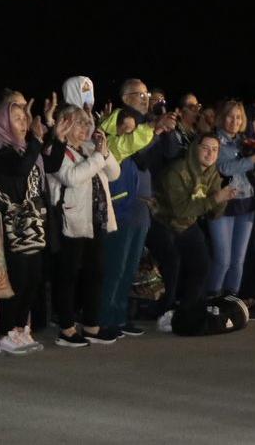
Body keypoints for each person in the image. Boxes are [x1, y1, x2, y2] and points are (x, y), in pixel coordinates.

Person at [44, 105, 120, 347]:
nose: (85, 128)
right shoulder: (56, 151)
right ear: (64, 125)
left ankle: (91, 325)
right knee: (67, 275)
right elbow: (72, 178)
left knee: (95, 273)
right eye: (79, 123)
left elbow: (115, 173)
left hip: (96, 221)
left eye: (87, 123)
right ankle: (66, 328)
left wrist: (104, 152)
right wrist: (98, 158)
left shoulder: (89, 148)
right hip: (71, 222)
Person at [0, 95, 48, 355]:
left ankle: (21, 328)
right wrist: (38, 142)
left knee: (33, 277)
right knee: (15, 279)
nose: (23, 124)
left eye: (24, 119)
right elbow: (20, 169)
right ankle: (6, 332)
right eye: (17, 119)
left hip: (30, 223)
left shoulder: (23, 147)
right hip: (8, 224)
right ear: (3, 121)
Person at [153, 133, 234, 328]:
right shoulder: (178, 170)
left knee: (202, 264)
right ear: (195, 149)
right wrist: (215, 199)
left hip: (187, 223)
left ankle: (187, 311)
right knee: (173, 264)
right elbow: (179, 210)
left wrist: (223, 199)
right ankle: (166, 312)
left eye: (215, 149)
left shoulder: (213, 173)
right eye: (206, 148)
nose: (210, 153)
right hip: (163, 222)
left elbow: (214, 214)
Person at [100, 80, 158, 336]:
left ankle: (120, 316)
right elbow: (120, 148)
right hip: (119, 204)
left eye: (148, 94)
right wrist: (153, 128)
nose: (146, 98)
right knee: (115, 265)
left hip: (141, 206)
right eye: (140, 94)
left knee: (130, 267)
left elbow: (147, 161)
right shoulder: (115, 121)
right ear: (125, 97)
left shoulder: (145, 125)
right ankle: (104, 318)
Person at [210, 101, 255, 303]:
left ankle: (231, 300)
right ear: (221, 117)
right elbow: (225, 168)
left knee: (238, 260)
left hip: (247, 202)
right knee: (222, 259)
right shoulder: (214, 140)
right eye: (230, 116)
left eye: (239, 117)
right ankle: (212, 299)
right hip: (223, 203)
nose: (234, 121)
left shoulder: (245, 141)